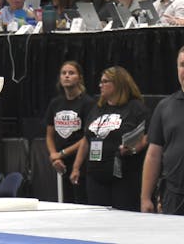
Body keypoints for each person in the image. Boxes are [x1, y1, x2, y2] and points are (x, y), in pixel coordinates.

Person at [70, 66, 150, 211]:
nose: (100, 85)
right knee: (98, 220)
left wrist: (132, 149)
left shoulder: (135, 108)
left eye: (105, 81)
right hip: (95, 175)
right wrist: (76, 167)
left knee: (122, 219)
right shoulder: (97, 108)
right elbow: (86, 139)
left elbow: (147, 137)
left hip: (124, 176)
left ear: (118, 83)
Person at [44, 61, 95, 204]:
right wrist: (55, 156)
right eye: (63, 73)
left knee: (81, 202)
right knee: (65, 202)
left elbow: (87, 136)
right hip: (60, 163)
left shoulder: (88, 103)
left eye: (71, 73)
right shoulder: (55, 103)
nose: (67, 76)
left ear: (79, 77)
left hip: (80, 161)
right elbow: (49, 134)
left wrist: (62, 153)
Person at [141, 46, 184, 215]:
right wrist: (145, 197)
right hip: (174, 197)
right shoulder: (165, 107)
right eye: (182, 64)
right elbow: (153, 154)